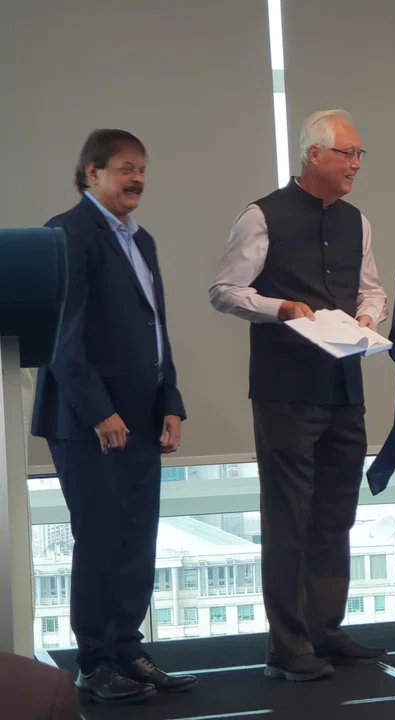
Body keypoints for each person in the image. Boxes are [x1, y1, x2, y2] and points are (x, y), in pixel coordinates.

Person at [210, 109, 388, 681]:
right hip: (286, 390)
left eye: (359, 155)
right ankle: (288, 646)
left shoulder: (358, 221)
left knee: (335, 515)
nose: (356, 164)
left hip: (344, 386)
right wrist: (278, 308)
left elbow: (372, 289)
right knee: (289, 517)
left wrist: (369, 316)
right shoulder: (262, 216)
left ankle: (325, 630)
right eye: (348, 154)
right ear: (315, 155)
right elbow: (224, 291)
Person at [32, 129, 196, 704]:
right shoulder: (67, 233)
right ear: (92, 173)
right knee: (101, 538)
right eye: (126, 168)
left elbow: (156, 329)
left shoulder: (141, 240)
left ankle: (127, 648)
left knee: (135, 539)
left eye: (142, 169)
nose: (138, 179)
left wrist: (170, 400)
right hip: (87, 421)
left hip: (143, 416)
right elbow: (63, 335)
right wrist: (100, 411)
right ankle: (96, 662)